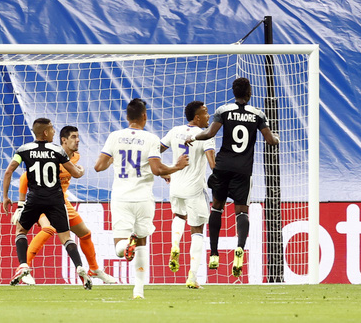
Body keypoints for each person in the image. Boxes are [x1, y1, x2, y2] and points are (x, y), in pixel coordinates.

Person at [94, 98, 188, 299]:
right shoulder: (151, 138)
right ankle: (138, 291)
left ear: (127, 117)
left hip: (121, 198)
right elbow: (156, 169)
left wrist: (114, 158)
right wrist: (175, 167)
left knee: (120, 249)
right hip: (143, 198)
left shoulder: (115, 136)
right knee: (142, 241)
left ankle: (126, 245)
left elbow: (98, 166)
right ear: (144, 116)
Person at [185, 77, 279, 278]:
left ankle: (214, 254)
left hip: (223, 166)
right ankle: (239, 250)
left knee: (217, 207)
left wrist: (193, 136)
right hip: (243, 169)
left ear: (233, 92)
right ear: (249, 92)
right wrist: (276, 138)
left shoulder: (223, 111)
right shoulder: (258, 114)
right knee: (241, 211)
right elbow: (270, 141)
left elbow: (209, 134)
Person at [18, 126, 117, 285]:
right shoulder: (51, 155)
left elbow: (74, 172)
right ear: (64, 140)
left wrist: (79, 170)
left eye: (78, 136)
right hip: (41, 199)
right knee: (49, 228)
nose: (78, 140)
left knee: (85, 234)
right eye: (73, 137)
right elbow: (24, 178)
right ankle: (24, 268)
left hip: (61, 201)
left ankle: (94, 269)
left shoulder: (75, 156)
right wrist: (21, 204)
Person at [1, 118, 92, 289]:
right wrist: (81, 170)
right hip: (55, 200)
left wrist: (5, 196)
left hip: (34, 199)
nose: (53, 132)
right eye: (51, 129)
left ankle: (23, 265)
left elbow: (8, 172)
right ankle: (80, 267)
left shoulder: (23, 150)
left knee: (21, 231)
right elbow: (75, 173)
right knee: (65, 237)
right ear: (45, 133)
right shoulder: (57, 150)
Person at [160, 101, 216, 289]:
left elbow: (155, 152)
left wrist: (164, 171)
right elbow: (212, 164)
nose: (209, 116)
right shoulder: (205, 135)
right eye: (206, 113)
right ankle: (192, 276)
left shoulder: (175, 131)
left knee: (179, 216)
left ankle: (175, 244)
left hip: (175, 186)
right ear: (197, 117)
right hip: (194, 189)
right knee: (197, 231)